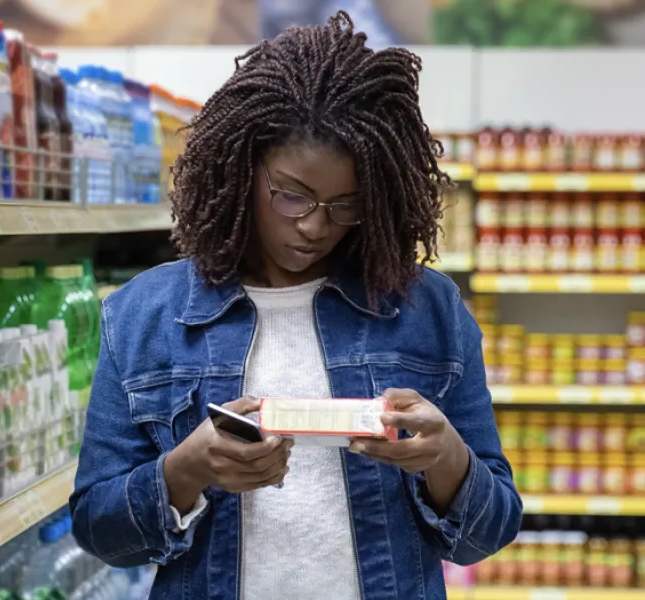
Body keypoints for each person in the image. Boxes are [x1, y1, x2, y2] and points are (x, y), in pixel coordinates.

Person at [70, 11, 522, 600]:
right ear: (242, 168)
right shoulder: (142, 315)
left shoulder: (428, 309)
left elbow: (490, 533)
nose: (315, 226)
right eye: (292, 195)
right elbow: (99, 533)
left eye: (346, 205)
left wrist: (449, 461)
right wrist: (187, 471)